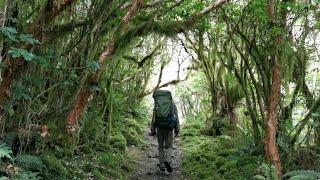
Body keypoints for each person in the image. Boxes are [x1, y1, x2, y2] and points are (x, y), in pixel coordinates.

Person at [150, 90, 180, 173]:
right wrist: (177, 129)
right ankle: (168, 160)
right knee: (169, 146)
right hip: (169, 129)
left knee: (160, 147)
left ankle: (162, 165)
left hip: (160, 128)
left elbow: (154, 118)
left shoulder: (157, 105)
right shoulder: (172, 105)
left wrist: (153, 129)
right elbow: (176, 118)